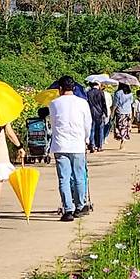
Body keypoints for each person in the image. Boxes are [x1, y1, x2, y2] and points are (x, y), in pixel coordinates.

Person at [49, 76, 93, 222]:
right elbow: (88, 123)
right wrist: (86, 139)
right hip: (77, 144)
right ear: (73, 88)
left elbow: (53, 123)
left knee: (64, 178)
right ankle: (80, 206)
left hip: (60, 144)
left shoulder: (54, 103)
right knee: (79, 176)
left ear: (60, 89)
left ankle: (68, 209)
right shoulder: (82, 103)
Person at [86, 82, 108, 152]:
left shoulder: (88, 93)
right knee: (100, 130)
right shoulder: (101, 92)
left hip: (91, 113)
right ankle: (99, 146)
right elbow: (104, 103)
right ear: (97, 85)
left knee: (91, 129)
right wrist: (105, 112)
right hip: (99, 113)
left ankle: (92, 145)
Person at [112, 83, 133, 149]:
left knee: (120, 126)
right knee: (126, 126)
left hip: (120, 112)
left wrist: (112, 112)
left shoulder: (118, 93)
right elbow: (131, 102)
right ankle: (124, 137)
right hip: (128, 112)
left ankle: (122, 138)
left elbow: (115, 104)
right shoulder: (130, 93)